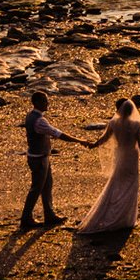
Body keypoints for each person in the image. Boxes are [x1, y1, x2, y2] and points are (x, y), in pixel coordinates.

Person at [76, 98, 140, 236]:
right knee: (130, 186)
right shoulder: (136, 124)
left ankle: (113, 215)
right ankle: (126, 219)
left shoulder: (113, 123)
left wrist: (93, 144)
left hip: (119, 154)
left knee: (116, 184)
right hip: (131, 157)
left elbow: (104, 138)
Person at [20, 91, 81, 228]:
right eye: (45, 101)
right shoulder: (39, 120)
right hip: (39, 159)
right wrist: (80, 140)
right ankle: (26, 218)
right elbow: (58, 134)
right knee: (36, 188)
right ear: (37, 103)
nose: (47, 103)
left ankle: (49, 215)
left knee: (47, 186)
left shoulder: (31, 116)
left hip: (40, 157)